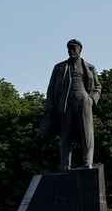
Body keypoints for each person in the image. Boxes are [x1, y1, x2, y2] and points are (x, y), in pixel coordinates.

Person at [39, 38, 102, 170]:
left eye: (74, 48)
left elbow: (97, 86)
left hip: (83, 100)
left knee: (87, 133)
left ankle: (87, 162)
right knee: (65, 134)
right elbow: (51, 88)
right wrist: (50, 106)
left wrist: (91, 100)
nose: (71, 51)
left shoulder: (89, 67)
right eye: (69, 49)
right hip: (65, 102)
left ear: (80, 50)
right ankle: (65, 164)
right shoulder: (59, 67)